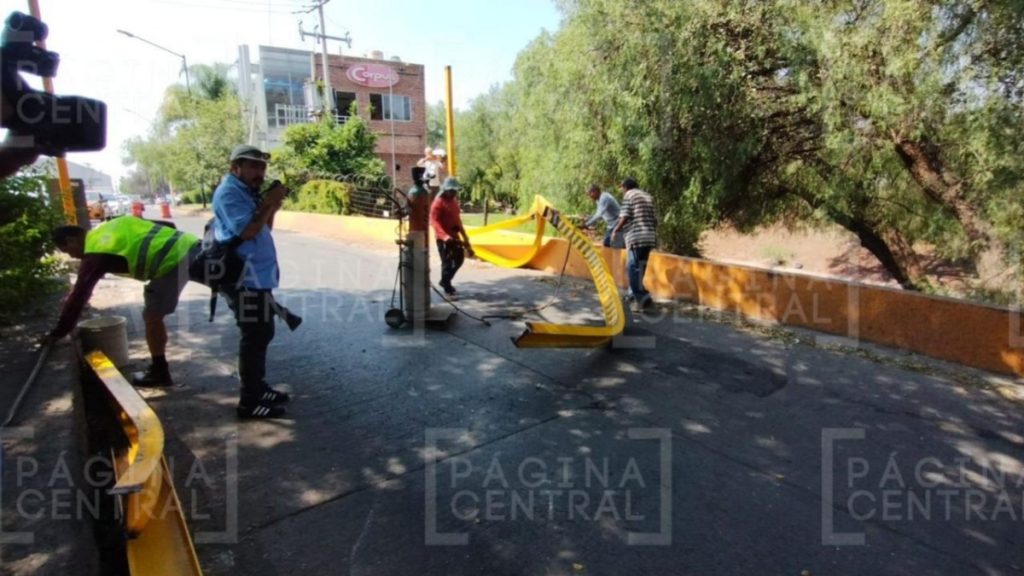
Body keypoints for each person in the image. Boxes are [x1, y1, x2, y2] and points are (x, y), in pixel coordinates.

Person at [42, 216, 200, 386]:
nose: (73, 256)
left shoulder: (96, 253)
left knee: (152, 317)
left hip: (171, 264)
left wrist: (59, 332)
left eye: (67, 251)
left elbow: (79, 296)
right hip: (193, 245)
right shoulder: (109, 226)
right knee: (230, 291)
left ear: (71, 240)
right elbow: (167, 224)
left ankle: (160, 372)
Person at [212, 144, 291, 419]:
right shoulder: (229, 193)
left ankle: (258, 387)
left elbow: (264, 227)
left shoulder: (247, 192)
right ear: (236, 168)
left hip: (257, 278)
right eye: (253, 166)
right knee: (254, 337)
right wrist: (268, 202)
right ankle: (249, 402)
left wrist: (273, 205)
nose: (259, 172)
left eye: (262, 167)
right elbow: (247, 231)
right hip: (243, 279)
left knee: (262, 333)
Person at [610, 177, 657, 308]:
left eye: (622, 188)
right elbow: (655, 220)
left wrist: (615, 230)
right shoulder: (648, 196)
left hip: (636, 238)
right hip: (649, 237)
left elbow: (625, 216)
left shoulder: (629, 195)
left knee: (632, 267)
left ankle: (643, 297)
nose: (622, 191)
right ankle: (633, 295)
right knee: (640, 267)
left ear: (625, 187)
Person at [429, 176, 474, 298]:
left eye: (455, 190)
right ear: (446, 190)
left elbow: (458, 221)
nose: (454, 192)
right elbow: (434, 222)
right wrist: (445, 237)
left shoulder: (453, 202)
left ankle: (445, 280)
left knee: (459, 259)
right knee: (447, 263)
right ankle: (447, 286)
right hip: (444, 238)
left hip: (455, 235)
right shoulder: (438, 203)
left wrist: (465, 237)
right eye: (452, 190)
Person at [580, 183, 624, 248]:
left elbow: (599, 215)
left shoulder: (604, 198)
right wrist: (588, 217)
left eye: (590, 193)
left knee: (616, 245)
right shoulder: (598, 200)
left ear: (595, 191)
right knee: (607, 243)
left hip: (618, 224)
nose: (590, 196)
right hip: (611, 225)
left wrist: (586, 224)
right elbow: (600, 215)